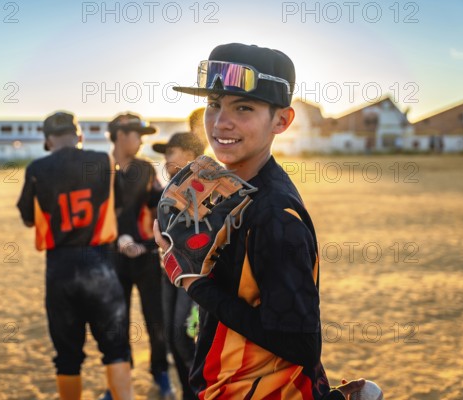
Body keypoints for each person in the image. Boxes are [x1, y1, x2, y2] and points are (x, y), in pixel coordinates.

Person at [154, 43, 366, 399]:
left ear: (281, 120)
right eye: (214, 104)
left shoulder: (274, 213)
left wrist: (194, 283)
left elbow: (301, 343)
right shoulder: (232, 190)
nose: (221, 122)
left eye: (244, 107)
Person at [16, 111, 133, 400]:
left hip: (60, 267)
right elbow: (117, 204)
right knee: (115, 349)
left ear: (47, 141)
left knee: (67, 356)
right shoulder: (103, 160)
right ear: (79, 135)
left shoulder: (37, 168)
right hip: (100, 263)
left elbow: (29, 218)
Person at [104, 112, 173, 399]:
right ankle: (119, 382)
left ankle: (161, 374)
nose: (141, 141)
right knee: (116, 322)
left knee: (155, 317)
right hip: (111, 258)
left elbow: (161, 204)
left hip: (145, 255)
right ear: (121, 135)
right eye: (137, 135)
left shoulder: (145, 169)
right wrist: (118, 237)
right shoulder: (100, 168)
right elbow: (101, 211)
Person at [152, 132, 205, 400]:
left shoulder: (206, 185)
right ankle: (187, 393)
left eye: (170, 152)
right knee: (172, 338)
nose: (165, 158)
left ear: (190, 154)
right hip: (169, 272)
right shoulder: (169, 186)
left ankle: (199, 393)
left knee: (185, 339)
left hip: (192, 275)